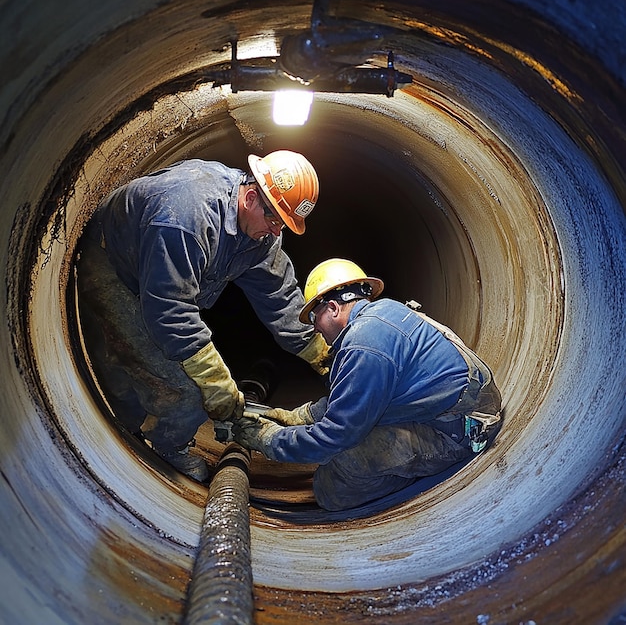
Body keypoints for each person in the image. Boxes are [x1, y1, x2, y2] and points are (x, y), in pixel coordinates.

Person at [76, 151, 330, 483]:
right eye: (273, 219)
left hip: (160, 280)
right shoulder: (185, 217)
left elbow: (277, 295)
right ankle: (160, 448)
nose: (275, 231)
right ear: (251, 197)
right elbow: (170, 312)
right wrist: (216, 383)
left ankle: (130, 427)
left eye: (282, 223)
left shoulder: (262, 233)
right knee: (184, 388)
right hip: (116, 269)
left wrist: (322, 355)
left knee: (153, 371)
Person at [230, 258, 503, 511]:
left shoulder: (364, 344)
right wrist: (293, 418)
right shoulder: (382, 314)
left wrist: (269, 440)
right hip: (449, 411)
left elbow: (335, 436)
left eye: (315, 318)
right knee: (349, 437)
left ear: (334, 308)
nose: (315, 329)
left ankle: (413, 483)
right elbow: (352, 398)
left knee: (334, 482)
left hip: (459, 430)